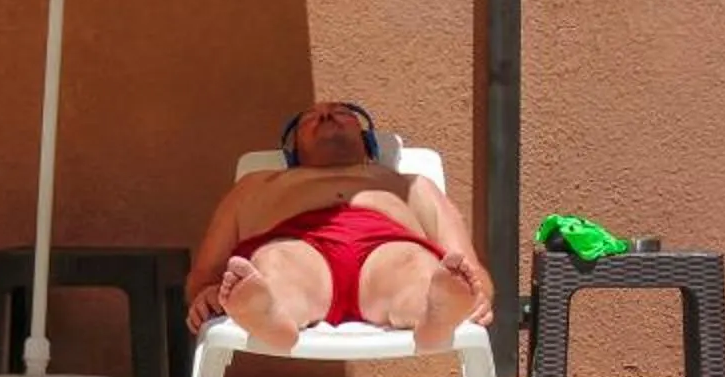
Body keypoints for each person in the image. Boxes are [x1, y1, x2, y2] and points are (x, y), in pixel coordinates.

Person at [184, 102, 495, 349]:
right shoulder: (256, 185)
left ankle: (431, 312)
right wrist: (206, 293)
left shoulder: (413, 185)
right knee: (275, 264)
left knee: (416, 267)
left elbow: (468, 267)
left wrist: (478, 294)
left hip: (388, 247)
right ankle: (273, 313)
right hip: (295, 245)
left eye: (342, 113)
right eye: (310, 119)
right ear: (292, 152)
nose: (326, 115)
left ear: (367, 140)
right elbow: (205, 273)